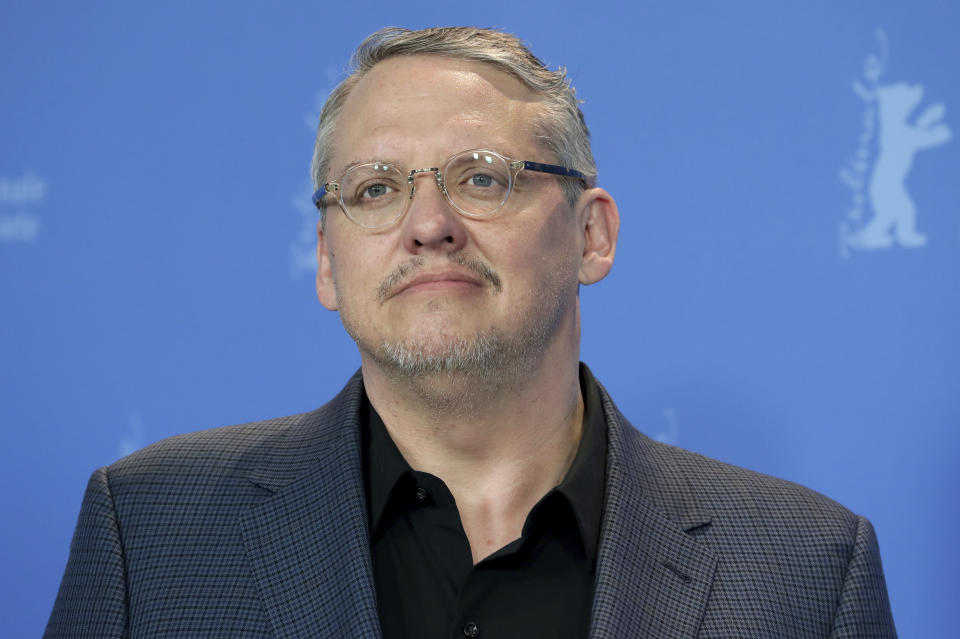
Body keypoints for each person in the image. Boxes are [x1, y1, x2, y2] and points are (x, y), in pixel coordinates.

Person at [45, 26, 897, 638]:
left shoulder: (807, 567)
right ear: (328, 260)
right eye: (375, 189)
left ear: (591, 234)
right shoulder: (151, 530)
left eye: (482, 178)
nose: (428, 224)